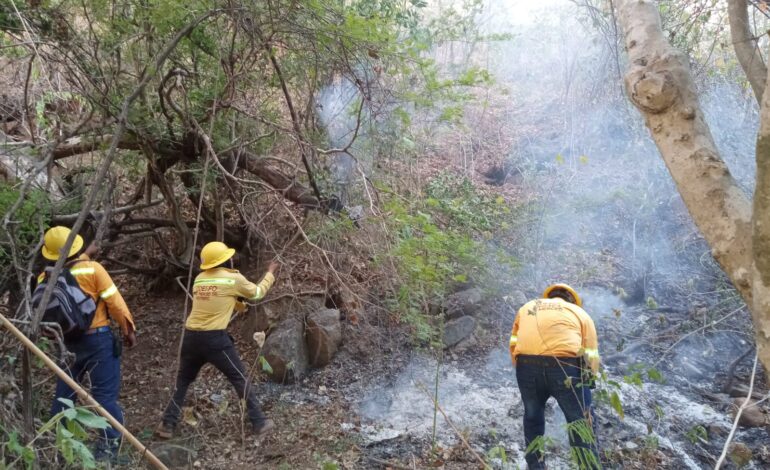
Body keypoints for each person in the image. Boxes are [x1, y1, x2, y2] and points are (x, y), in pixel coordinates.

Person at [157, 241, 279, 440]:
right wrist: (270, 273)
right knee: (239, 378)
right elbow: (257, 293)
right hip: (214, 339)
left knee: (183, 381)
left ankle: (167, 424)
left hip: (190, 337)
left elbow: (216, 300)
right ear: (225, 259)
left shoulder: (199, 280)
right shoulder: (233, 279)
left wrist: (238, 303)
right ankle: (259, 422)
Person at [39, 226, 137, 462]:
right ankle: (108, 449)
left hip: (66, 343)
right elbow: (115, 303)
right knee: (104, 398)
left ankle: (61, 451)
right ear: (76, 246)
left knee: (64, 397)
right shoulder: (93, 270)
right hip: (98, 340)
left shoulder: (45, 277)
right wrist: (128, 329)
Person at [509, 283, 601, 470]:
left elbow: (514, 343)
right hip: (565, 367)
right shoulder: (579, 313)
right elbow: (590, 352)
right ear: (572, 300)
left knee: (532, 415)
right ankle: (588, 465)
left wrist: (522, 369)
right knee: (580, 420)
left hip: (526, 366)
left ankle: (535, 466)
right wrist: (589, 380)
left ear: (548, 297)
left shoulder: (528, 307)